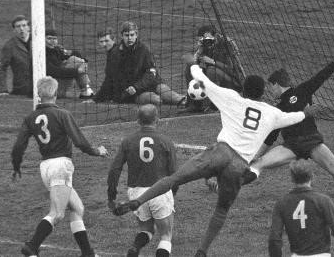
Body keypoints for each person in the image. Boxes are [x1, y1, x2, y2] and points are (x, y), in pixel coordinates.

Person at [114, 60, 319, 257]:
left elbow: (201, 79)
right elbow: (295, 117)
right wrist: (306, 112)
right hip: (239, 165)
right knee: (221, 210)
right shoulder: (273, 113)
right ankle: (202, 251)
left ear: (244, 90)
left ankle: (138, 202)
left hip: (219, 152)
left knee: (173, 179)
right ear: (262, 92)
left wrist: (193, 63)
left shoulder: (231, 98)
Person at [242, 49, 334, 195]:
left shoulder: (302, 91)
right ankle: (229, 186)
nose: (270, 90)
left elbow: (324, 73)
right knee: (258, 163)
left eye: (270, 86)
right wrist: (256, 155)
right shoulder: (277, 108)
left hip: (312, 143)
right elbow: (271, 137)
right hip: (290, 147)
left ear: (277, 84)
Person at [11, 76, 109, 257]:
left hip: (46, 167)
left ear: (39, 94)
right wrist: (97, 151)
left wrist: (16, 166)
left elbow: (19, 147)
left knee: (77, 208)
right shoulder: (62, 114)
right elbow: (80, 142)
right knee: (57, 214)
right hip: (61, 166)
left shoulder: (30, 118)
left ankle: (88, 253)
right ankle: (32, 246)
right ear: (55, 94)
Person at [107, 104, 177, 257]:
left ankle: (134, 248)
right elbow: (174, 174)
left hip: (137, 195)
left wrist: (111, 196)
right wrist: (172, 193)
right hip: (160, 192)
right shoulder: (166, 141)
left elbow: (114, 169)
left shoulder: (128, 141)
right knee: (165, 235)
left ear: (138, 120)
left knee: (146, 230)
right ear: (157, 119)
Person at [268, 160, 334, 257]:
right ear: (312, 176)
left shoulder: (281, 203)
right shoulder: (323, 200)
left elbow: (274, 238)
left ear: (292, 178)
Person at [116, 21, 186, 106]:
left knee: (170, 96)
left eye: (132, 35)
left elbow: (151, 73)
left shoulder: (144, 49)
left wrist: (136, 86)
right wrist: (127, 91)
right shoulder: (117, 53)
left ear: (136, 35)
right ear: (122, 36)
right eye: (126, 35)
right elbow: (115, 77)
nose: (129, 38)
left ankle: (189, 100)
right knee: (156, 100)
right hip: (135, 93)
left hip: (153, 84)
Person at [182, 24, 243, 113]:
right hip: (217, 77)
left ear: (209, 34)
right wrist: (194, 61)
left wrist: (213, 62)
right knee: (190, 68)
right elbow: (196, 60)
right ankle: (195, 104)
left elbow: (231, 69)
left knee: (212, 71)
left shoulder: (227, 43)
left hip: (233, 82)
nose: (201, 40)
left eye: (203, 37)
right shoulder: (205, 43)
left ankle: (215, 106)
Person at [44, 29, 94, 99]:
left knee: (75, 60)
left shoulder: (56, 50)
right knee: (75, 61)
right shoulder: (41, 53)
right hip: (48, 91)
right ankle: (86, 90)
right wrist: (77, 71)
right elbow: (53, 71)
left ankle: (86, 90)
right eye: (49, 38)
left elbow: (73, 54)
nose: (52, 41)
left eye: (55, 39)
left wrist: (83, 61)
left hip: (57, 87)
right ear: (42, 39)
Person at [0, 15, 32, 96]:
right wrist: (3, 90)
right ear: (14, 30)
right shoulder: (9, 46)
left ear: (29, 27)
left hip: (42, 85)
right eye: (18, 26)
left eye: (24, 25)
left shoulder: (40, 41)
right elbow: (1, 68)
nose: (21, 29)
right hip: (22, 88)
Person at [92, 28, 121, 103]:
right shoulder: (113, 51)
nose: (104, 44)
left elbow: (109, 79)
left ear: (113, 39)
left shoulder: (115, 53)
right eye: (101, 42)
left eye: (106, 41)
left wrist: (95, 99)